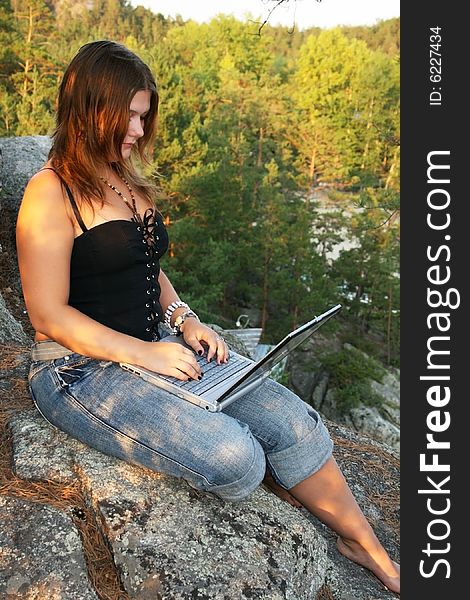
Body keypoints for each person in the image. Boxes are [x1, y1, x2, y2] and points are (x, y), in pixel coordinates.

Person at [16, 40, 399, 594]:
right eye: (127, 115)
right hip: (79, 371)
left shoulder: (122, 175)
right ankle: (277, 479)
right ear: (88, 109)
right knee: (235, 457)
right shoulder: (50, 193)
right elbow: (47, 315)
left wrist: (183, 318)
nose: (137, 130)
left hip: (157, 345)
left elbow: (141, 264)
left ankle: (364, 544)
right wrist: (145, 352)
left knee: (292, 423)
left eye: (144, 116)